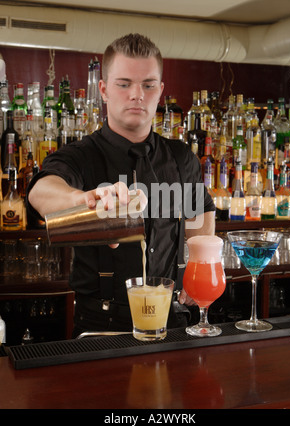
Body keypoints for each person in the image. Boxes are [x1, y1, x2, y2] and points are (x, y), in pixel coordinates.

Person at [27, 33, 215, 337]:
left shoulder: (181, 159)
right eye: (124, 84)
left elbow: (200, 212)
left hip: (175, 322)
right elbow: (41, 191)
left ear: (161, 91)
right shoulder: (80, 155)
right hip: (102, 327)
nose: (137, 95)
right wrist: (87, 198)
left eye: (148, 85)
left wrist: (199, 266)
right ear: (103, 90)